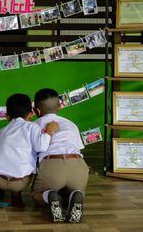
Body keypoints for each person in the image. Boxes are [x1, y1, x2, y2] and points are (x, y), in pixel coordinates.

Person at [0, 93, 59, 208]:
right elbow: (41, 147)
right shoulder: (32, 127)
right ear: (31, 114)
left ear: (7, 116)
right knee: (29, 161)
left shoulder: (2, 131)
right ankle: (16, 197)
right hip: (19, 183)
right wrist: (49, 131)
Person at [31, 88, 89, 223]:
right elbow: (80, 149)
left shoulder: (33, 125)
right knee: (71, 190)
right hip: (78, 166)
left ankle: (49, 195)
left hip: (52, 165)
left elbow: (31, 153)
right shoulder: (71, 124)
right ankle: (77, 193)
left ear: (37, 111)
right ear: (59, 106)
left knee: (36, 195)